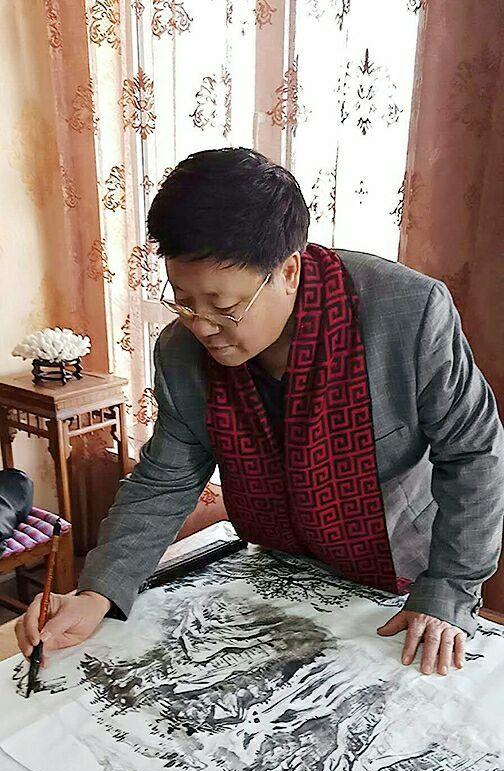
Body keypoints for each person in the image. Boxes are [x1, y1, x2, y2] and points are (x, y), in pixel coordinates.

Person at [16, 147, 504, 677]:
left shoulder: (408, 314)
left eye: (224, 307)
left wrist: (450, 588)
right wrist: (97, 591)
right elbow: (165, 479)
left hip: (399, 579)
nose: (202, 326)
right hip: (274, 572)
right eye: (184, 301)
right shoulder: (181, 351)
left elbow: (473, 453)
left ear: (288, 271)